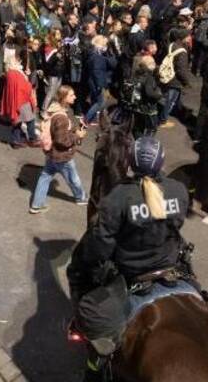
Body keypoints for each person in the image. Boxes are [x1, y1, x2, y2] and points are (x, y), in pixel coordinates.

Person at [68, 136, 189, 381]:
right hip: (171, 266)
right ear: (161, 161)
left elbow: (100, 246)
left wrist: (84, 265)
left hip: (129, 276)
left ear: (130, 162)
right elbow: (177, 225)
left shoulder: (118, 197)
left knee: (87, 300)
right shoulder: (178, 189)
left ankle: (94, 364)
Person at [29, 86, 87, 213]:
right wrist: (77, 135)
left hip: (51, 154)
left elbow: (59, 131)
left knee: (45, 176)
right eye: (71, 95)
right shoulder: (61, 118)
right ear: (64, 98)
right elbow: (61, 140)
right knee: (73, 178)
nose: (75, 97)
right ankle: (81, 197)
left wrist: (73, 130)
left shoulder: (55, 109)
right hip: (62, 155)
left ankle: (36, 204)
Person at [0, 60, 40, 148]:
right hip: (22, 100)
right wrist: (29, 81)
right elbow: (25, 86)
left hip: (17, 100)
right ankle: (32, 138)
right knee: (30, 120)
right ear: (12, 64)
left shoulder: (10, 73)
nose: (20, 63)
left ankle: (16, 141)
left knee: (17, 121)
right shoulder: (15, 73)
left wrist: (26, 75)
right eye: (17, 63)